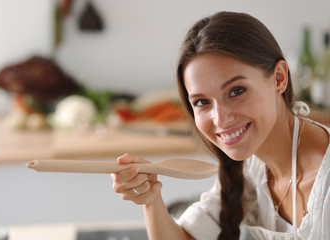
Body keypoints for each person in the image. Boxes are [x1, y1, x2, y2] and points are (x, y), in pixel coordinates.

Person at [111, 11, 330, 240]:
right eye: (202, 102)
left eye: (236, 91)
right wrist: (151, 199)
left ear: (279, 78)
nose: (220, 119)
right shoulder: (249, 168)